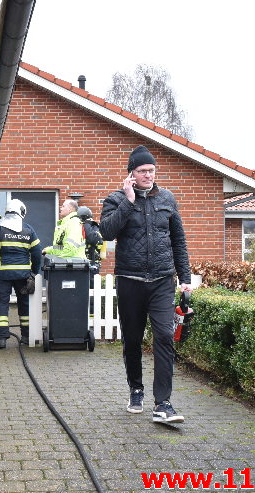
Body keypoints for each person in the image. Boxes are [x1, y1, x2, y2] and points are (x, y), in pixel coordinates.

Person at [100, 145, 192, 422]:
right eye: (142, 171)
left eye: (151, 170)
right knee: (132, 339)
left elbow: (178, 240)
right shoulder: (115, 199)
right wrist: (128, 202)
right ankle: (136, 389)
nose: (148, 175)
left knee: (164, 336)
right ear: (131, 173)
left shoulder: (167, 198)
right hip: (130, 280)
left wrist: (185, 277)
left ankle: (163, 403)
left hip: (162, 280)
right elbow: (106, 231)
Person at [0, 199, 43, 349]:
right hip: (23, 274)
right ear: (21, 211)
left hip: (1, 275)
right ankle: (27, 337)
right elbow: (37, 252)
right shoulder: (28, 229)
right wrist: (34, 273)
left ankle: (1, 339)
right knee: (25, 305)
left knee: (0, 304)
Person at [77, 205, 105, 272]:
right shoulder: (77, 226)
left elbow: (92, 238)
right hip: (78, 262)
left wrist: (86, 224)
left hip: (92, 263)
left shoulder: (94, 227)